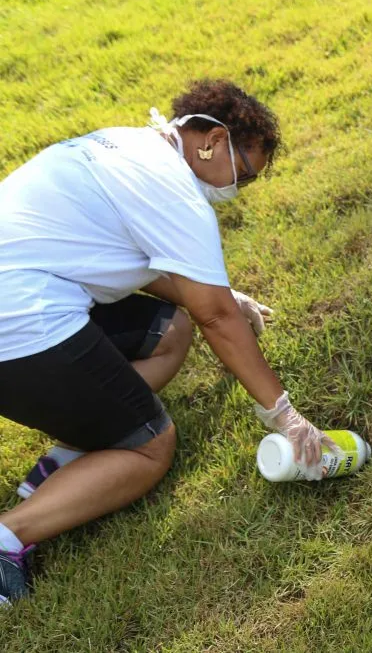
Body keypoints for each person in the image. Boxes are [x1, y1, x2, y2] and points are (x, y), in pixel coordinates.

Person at [0, 80, 339, 604]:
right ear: (212, 141)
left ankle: (75, 449)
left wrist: (222, 292)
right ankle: (9, 537)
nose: (238, 190)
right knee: (150, 445)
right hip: (20, 331)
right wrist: (283, 413)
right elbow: (217, 317)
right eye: (244, 175)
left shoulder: (124, 144)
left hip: (19, 303)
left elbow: (119, 255)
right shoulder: (176, 192)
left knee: (168, 331)